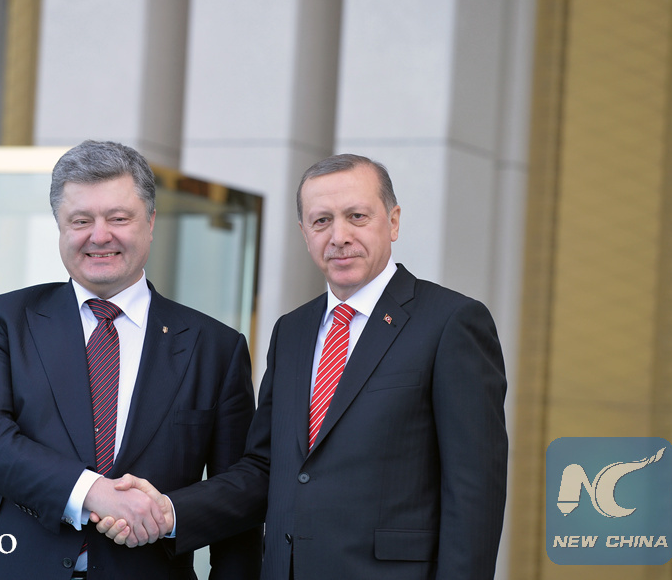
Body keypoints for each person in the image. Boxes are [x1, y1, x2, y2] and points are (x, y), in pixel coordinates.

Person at [101, 153, 508, 579]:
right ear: (304, 232)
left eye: (357, 216)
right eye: (321, 221)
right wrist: (170, 511)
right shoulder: (292, 331)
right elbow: (265, 468)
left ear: (393, 222)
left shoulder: (451, 323)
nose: (339, 236)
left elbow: (474, 490)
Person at [0, 140, 262, 580]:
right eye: (81, 220)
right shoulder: (4, 319)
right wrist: (93, 492)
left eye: (118, 218)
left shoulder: (215, 347)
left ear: (150, 222)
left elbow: (239, 491)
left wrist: (169, 513)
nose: (100, 235)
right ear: (60, 227)